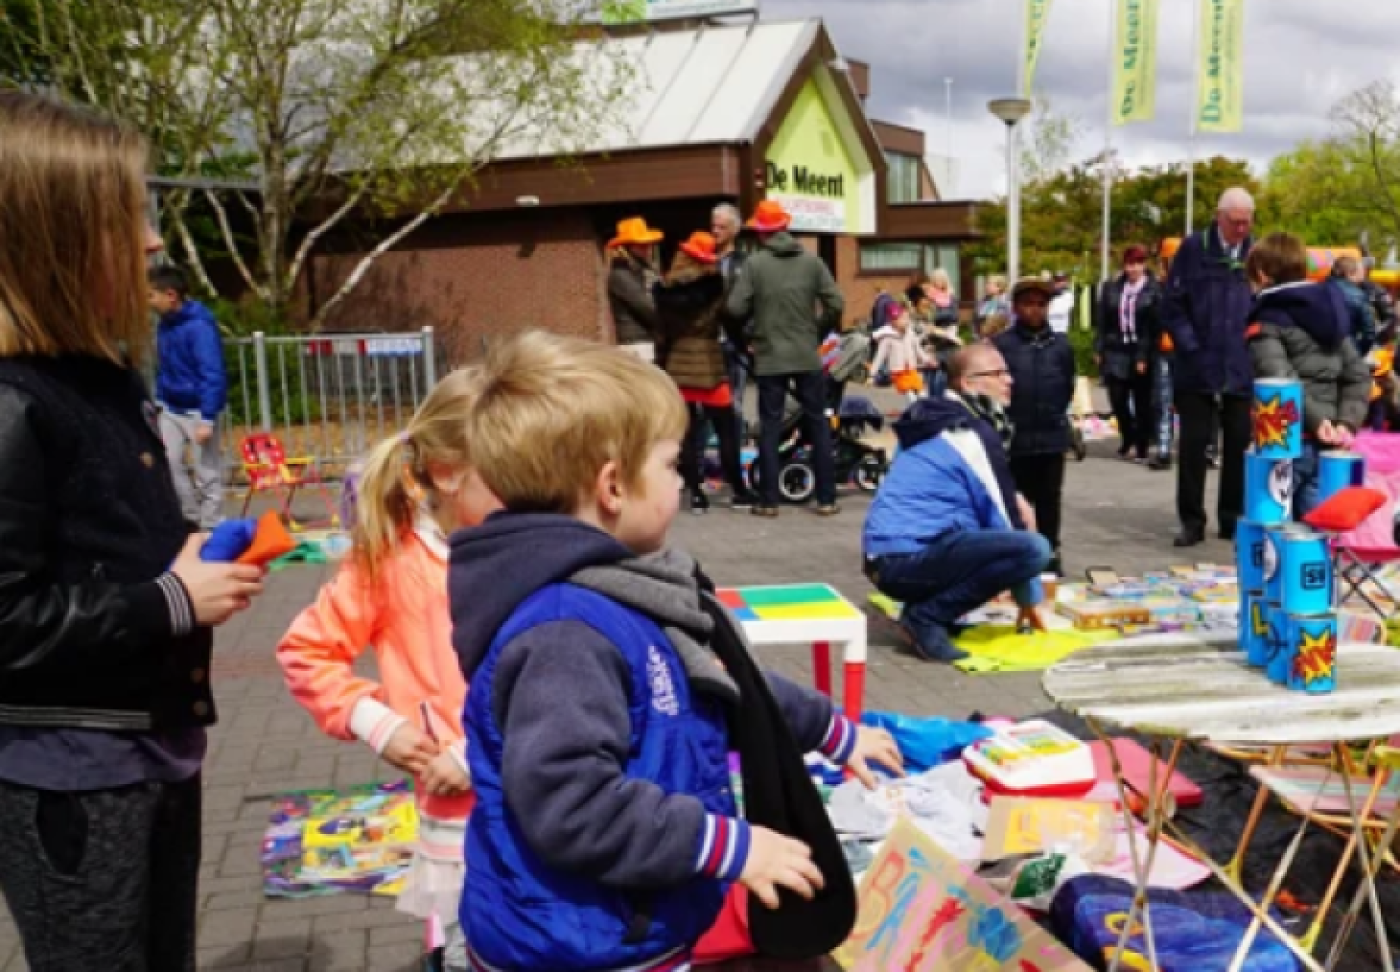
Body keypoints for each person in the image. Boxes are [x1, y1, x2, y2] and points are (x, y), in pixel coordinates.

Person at [447, 332, 901, 972]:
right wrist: (730, 847)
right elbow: (571, 802)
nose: (682, 477)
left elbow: (719, 681)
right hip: (579, 945)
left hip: (626, 926)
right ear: (612, 486)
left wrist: (831, 730)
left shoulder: (624, 583)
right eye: (670, 463)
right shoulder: (565, 632)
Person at [0, 90, 265, 968]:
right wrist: (169, 599)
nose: (155, 242)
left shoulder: (94, 377)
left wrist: (187, 561)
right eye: (130, 219)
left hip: (146, 751)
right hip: (73, 776)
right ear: (52, 243)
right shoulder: (14, 403)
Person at [277, 369, 497, 968]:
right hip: (458, 821)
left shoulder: (527, 548)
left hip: (540, 800)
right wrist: (381, 724)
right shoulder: (392, 563)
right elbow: (307, 651)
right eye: (512, 468)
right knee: (465, 948)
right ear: (451, 473)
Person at [863, 344, 1051, 663]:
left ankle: (927, 611)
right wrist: (1029, 599)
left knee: (1001, 542)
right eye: (997, 373)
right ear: (968, 384)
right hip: (905, 559)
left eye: (1007, 372)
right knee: (1033, 549)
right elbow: (1006, 518)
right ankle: (926, 617)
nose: (1010, 380)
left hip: (886, 557)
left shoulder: (933, 422)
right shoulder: (967, 434)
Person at [726, 199, 845, 517]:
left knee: (770, 425)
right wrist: (815, 333)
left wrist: (751, 334)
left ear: (762, 233)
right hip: (807, 354)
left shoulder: (755, 264)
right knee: (818, 423)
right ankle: (826, 499)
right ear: (786, 227)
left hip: (770, 356)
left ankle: (768, 501)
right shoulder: (812, 262)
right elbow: (836, 303)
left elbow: (735, 308)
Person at [1245, 233, 1371, 518]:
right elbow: (1358, 375)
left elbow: (1278, 378)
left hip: (1285, 439)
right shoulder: (1333, 311)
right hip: (1329, 441)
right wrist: (1346, 423)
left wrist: (1317, 421)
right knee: (1315, 532)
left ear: (1263, 275)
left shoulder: (1267, 318)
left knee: (1273, 530)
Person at [1160, 186, 1257, 547]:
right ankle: (1191, 520)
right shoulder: (1193, 249)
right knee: (1194, 447)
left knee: (1238, 445)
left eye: (1247, 222)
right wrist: (1191, 347)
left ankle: (1231, 518)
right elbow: (1172, 305)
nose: (1242, 230)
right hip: (1197, 365)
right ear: (1219, 217)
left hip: (1240, 365)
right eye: (1235, 222)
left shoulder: (1255, 253)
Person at [652, 231, 758, 513]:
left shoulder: (664, 290)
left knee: (686, 434)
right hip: (709, 364)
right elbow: (730, 320)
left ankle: (696, 494)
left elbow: (661, 334)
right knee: (726, 430)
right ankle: (739, 490)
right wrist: (744, 347)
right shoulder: (714, 287)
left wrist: (662, 363)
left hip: (678, 365)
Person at [995, 278, 1076, 576]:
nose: (1034, 311)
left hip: (1051, 435)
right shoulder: (1003, 345)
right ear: (1016, 308)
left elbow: (1067, 384)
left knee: (1049, 498)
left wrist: (1060, 420)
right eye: (1028, 304)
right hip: (1016, 436)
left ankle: (1051, 550)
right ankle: (1019, 551)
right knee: (1016, 497)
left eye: (1041, 305)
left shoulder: (1060, 346)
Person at [150, 265, 229, 530]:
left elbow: (211, 371)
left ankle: (212, 523)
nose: (148, 303)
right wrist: (160, 401)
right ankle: (190, 517)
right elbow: (165, 366)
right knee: (169, 462)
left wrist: (207, 417)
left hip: (197, 408)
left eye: (152, 296)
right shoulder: (165, 326)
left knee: (206, 470)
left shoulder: (199, 327)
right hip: (171, 405)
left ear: (170, 295)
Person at [1096, 245, 1163, 464]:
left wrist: (1143, 356)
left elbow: (1154, 328)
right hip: (1116, 349)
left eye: (1137, 264)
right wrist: (1099, 348)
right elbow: (1103, 322)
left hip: (1141, 350)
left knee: (1143, 402)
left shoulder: (1154, 290)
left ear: (1144, 265)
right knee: (1117, 399)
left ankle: (1142, 445)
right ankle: (1128, 437)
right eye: (1129, 264)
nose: (1133, 269)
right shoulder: (1112, 288)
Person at [712, 203, 751, 439]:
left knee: (734, 401)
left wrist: (750, 336)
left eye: (722, 227)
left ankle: (733, 455)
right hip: (709, 342)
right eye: (713, 226)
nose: (715, 231)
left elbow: (753, 303)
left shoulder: (745, 263)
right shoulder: (703, 260)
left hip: (735, 342)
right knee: (708, 403)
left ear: (734, 230)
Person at [606, 217, 663, 361]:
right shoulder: (621, 274)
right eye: (641, 245)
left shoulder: (643, 270)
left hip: (647, 340)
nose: (647, 249)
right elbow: (645, 306)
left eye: (647, 245)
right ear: (628, 247)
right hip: (636, 343)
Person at [868, 300, 933, 402]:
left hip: (912, 370)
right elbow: (879, 357)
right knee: (911, 396)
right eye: (902, 319)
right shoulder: (887, 338)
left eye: (907, 318)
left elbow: (918, 349)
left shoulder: (910, 334)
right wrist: (872, 375)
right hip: (899, 373)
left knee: (923, 394)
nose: (906, 321)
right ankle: (916, 414)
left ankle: (923, 412)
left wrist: (927, 360)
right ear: (893, 322)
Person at [1328, 255, 1376, 357]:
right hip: (1348, 352)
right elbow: (1369, 333)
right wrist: (1359, 352)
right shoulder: (1358, 295)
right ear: (1349, 274)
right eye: (1357, 272)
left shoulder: (1317, 290)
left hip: (1321, 353)